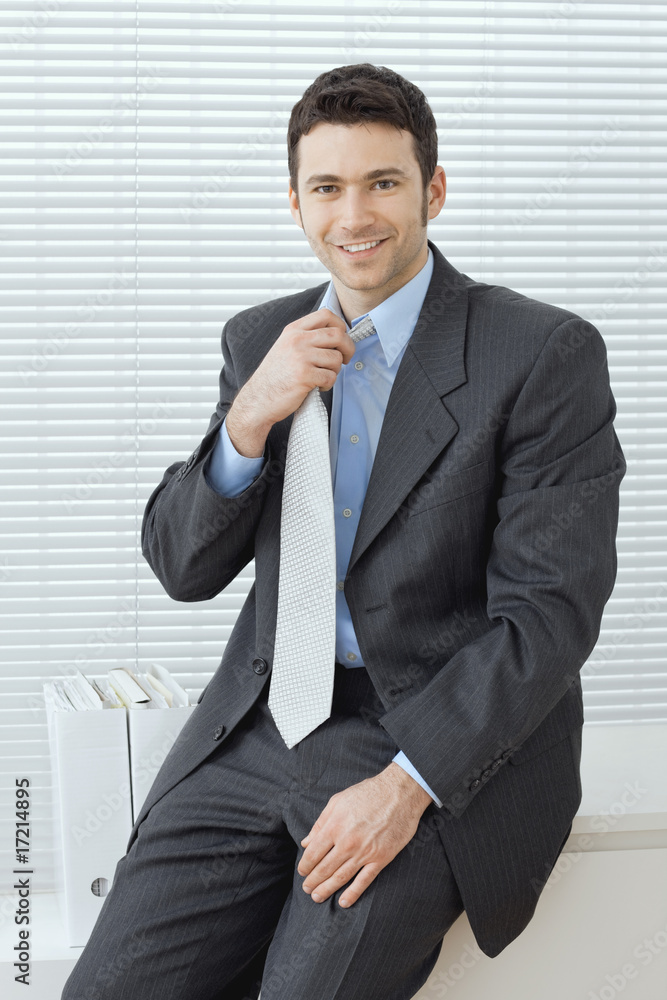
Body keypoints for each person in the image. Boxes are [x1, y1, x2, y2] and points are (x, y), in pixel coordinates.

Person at [62, 63, 625, 1000]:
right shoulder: (261, 341)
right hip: (262, 728)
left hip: (430, 736)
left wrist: (407, 783)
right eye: (326, 187)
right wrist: (250, 418)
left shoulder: (539, 354)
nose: (353, 215)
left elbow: (548, 618)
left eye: (382, 182)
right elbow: (181, 565)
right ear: (295, 204)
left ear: (432, 190)